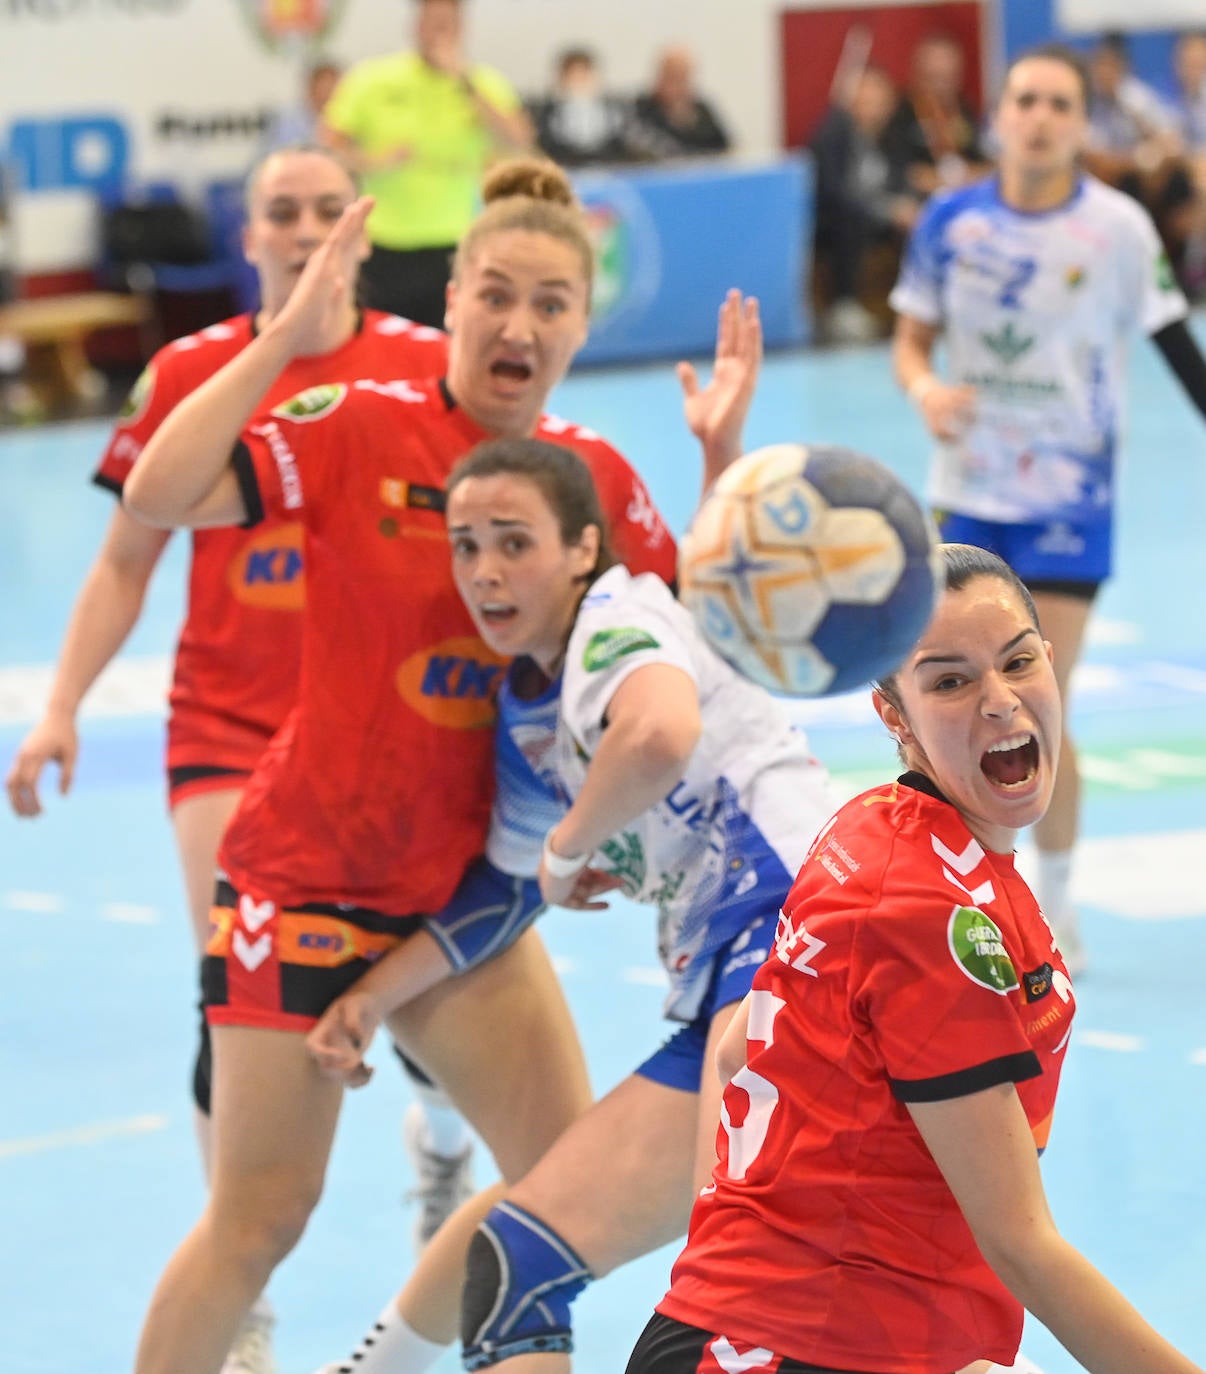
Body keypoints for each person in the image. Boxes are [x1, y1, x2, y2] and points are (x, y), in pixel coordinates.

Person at [119, 157, 754, 1374]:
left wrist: (720, 462)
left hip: (463, 902)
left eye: (553, 302)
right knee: (259, 1223)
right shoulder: (362, 419)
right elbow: (162, 489)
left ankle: (385, 1365)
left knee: (563, 1195)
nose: (520, 324)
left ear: (582, 321)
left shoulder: (599, 480)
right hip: (300, 880)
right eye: (497, 293)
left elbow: (699, 653)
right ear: (452, 296)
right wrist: (290, 340)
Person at [2, 142, 462, 1374]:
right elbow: (124, 559)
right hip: (230, 736)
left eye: (328, 209)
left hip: (397, 736)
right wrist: (60, 706)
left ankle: (441, 1143)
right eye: (281, 212)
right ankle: (237, 1286)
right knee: (234, 990)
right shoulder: (193, 372)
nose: (307, 229)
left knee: (432, 992)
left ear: (360, 233)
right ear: (247, 236)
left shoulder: (425, 366)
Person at [305, 431, 836, 1374]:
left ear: (584, 548)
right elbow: (507, 892)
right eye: (465, 546)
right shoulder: (529, 712)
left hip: (799, 947)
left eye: (515, 541)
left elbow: (661, 733)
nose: (485, 571)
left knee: (763, 1306)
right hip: (741, 978)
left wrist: (568, 844)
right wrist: (373, 997)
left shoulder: (618, 618)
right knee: (518, 1264)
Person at [628, 543, 1206, 1374]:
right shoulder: (927, 912)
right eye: (950, 681)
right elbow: (1023, 1245)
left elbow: (736, 1051)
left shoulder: (878, 825)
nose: (1001, 702)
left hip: (797, 1335)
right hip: (787, 1350)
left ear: (1051, 659)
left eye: (1017, 661)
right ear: (894, 716)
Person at [889, 42, 1206, 974]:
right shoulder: (950, 222)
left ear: (1080, 124)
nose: (1038, 117)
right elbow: (911, 341)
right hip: (970, 495)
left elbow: (1174, 346)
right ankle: (946, 892)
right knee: (944, 706)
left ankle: (1051, 908)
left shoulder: (1117, 229)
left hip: (1071, 499)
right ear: (1001, 117)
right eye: (1024, 99)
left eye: (1059, 104)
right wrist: (924, 392)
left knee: (1032, 704)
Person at [319, 0, 533, 328]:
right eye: (432, 22)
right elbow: (328, 145)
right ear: (415, 25)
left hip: (454, 240)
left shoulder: (481, 84)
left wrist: (465, 82)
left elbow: (519, 139)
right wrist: (371, 161)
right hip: (384, 241)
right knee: (382, 345)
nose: (439, 32)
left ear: (462, 28)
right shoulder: (372, 79)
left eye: (448, 23)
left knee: (449, 347)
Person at [810, 64, 918, 344]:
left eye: (879, 102)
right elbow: (835, 191)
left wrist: (905, 205)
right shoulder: (834, 133)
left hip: (881, 216)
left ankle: (919, 302)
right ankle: (844, 305)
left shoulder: (891, 136)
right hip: (835, 218)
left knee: (923, 218)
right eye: (865, 100)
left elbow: (902, 177)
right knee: (850, 217)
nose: (873, 109)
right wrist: (887, 210)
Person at [1082, 31, 1196, 281]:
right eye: (1101, 65)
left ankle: (1177, 273)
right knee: (1128, 186)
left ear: (1124, 68)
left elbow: (1169, 141)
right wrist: (1135, 163)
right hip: (1112, 179)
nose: (1107, 73)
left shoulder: (1136, 98)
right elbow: (1097, 158)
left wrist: (1152, 159)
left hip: (1145, 173)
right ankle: (1126, 273)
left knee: (1176, 183)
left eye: (1113, 66)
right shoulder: (1085, 102)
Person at [882, 31, 991, 205]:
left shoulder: (963, 109)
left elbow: (984, 165)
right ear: (917, 73)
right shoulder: (899, 114)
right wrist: (953, 181)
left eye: (948, 78)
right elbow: (906, 174)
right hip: (922, 208)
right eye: (933, 78)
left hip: (968, 206)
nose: (941, 89)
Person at [531, 47, 639, 168]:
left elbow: (622, 140)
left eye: (583, 74)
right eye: (573, 75)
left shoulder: (614, 109)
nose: (578, 80)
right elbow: (545, 143)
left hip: (609, 167)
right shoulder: (547, 112)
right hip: (567, 165)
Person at [631, 47, 731, 159]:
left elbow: (726, 150)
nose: (676, 85)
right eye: (672, 76)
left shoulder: (701, 110)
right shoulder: (640, 111)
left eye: (683, 78)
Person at [259, 59, 343, 155]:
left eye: (334, 87)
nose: (329, 94)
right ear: (311, 88)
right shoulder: (287, 121)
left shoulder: (344, 123)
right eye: (324, 88)